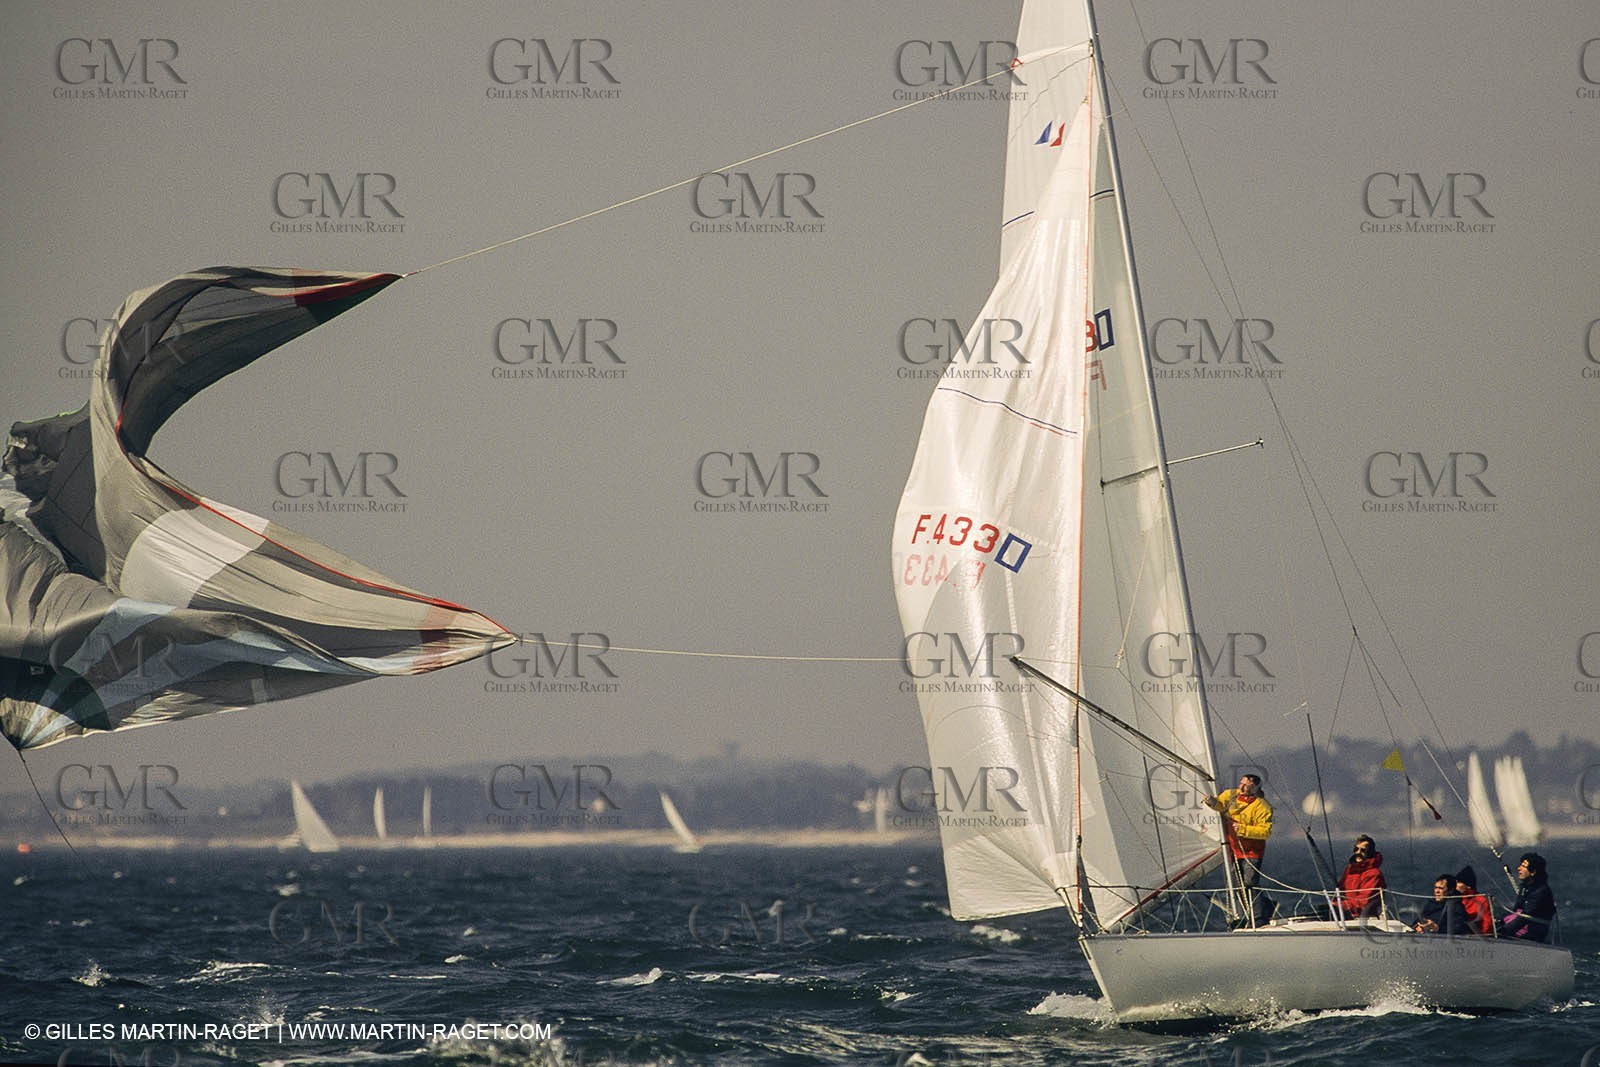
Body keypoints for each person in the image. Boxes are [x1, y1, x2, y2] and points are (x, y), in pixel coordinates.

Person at [1203, 773, 1274, 924]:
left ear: (1255, 788)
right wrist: (1211, 801)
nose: (1241, 786)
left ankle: (1260, 915)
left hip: (1252, 851)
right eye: (1241, 783)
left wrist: (1242, 829)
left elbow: (1265, 831)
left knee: (1249, 882)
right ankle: (1244, 916)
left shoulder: (1262, 806)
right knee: (1236, 885)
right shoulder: (1231, 794)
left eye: (1246, 785)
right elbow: (1221, 805)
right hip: (1234, 849)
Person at [1502, 852, 1557, 943]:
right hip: (1520, 925)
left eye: (1523, 866)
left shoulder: (1541, 891)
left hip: (1531, 932)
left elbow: (1525, 917)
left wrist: (1502, 931)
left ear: (1533, 872)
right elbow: (1516, 910)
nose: (1519, 868)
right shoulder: (1525, 887)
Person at [1337, 834, 1387, 918]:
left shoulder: (1374, 874)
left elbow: (1364, 901)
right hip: (1346, 916)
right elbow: (1340, 892)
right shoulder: (1349, 871)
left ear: (1370, 853)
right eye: (1356, 849)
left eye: (1363, 850)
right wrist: (1333, 905)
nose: (1358, 852)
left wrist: (1341, 906)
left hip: (1365, 918)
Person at [1454, 866, 1493, 936]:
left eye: (1459, 882)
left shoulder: (1480, 900)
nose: (1455, 885)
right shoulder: (1454, 899)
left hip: (1474, 938)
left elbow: (1487, 923)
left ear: (1468, 886)